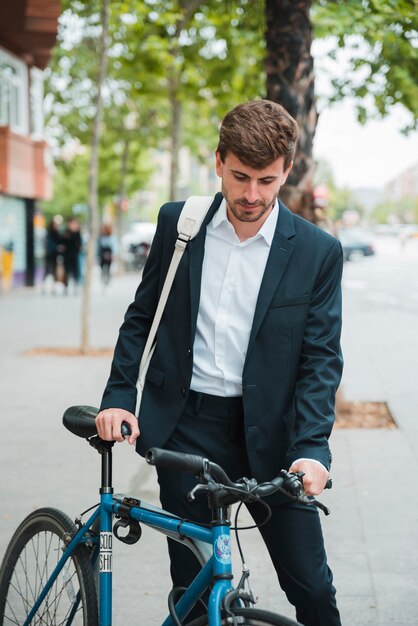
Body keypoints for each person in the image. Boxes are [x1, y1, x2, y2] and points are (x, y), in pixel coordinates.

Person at [96, 100, 343, 626]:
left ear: (286, 172)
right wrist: (119, 396)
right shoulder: (180, 225)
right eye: (240, 177)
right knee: (191, 590)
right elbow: (143, 316)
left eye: (266, 180)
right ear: (217, 162)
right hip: (187, 429)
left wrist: (314, 451)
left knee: (314, 590)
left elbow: (321, 360)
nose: (251, 195)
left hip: (276, 441)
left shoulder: (317, 252)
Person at [42, 216, 64, 294]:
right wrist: (57, 247)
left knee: (54, 271)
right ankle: (44, 287)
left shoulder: (58, 233)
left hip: (55, 255)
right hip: (49, 255)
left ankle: (53, 288)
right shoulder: (48, 233)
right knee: (47, 271)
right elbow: (48, 244)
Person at [62, 217, 82, 294]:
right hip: (67, 255)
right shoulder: (66, 232)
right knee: (67, 271)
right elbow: (63, 242)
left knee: (75, 271)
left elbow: (79, 244)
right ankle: (66, 287)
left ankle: (75, 286)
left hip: (74, 255)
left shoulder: (77, 233)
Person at [97, 223, 115, 288]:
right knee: (102, 269)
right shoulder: (100, 237)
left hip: (109, 255)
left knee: (108, 269)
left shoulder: (111, 237)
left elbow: (114, 247)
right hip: (102, 255)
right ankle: (104, 282)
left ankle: (107, 282)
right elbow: (98, 248)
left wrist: (114, 255)